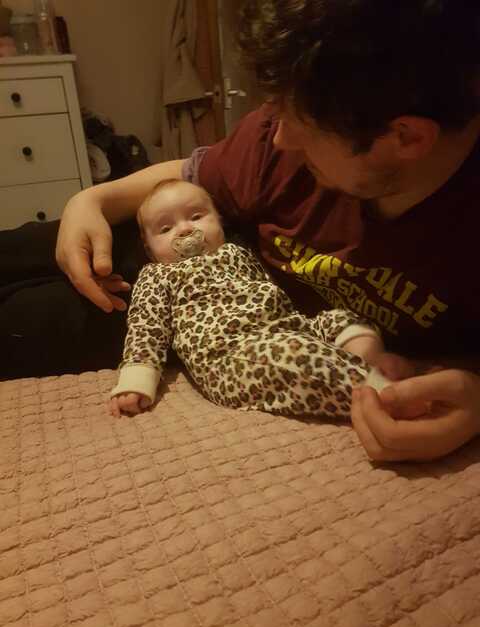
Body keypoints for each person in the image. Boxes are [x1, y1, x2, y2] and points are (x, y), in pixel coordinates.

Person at [3, 0, 479, 460]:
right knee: (22, 248)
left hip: (227, 330)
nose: (278, 138)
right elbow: (187, 175)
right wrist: (92, 199)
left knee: (26, 324)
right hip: (184, 252)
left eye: (301, 127)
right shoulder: (282, 134)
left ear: (406, 137)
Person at [110, 178, 411, 418]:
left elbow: (270, 293)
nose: (186, 229)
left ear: (219, 222)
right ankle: (385, 395)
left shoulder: (237, 252)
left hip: (287, 326)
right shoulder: (158, 275)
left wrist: (306, 328)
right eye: (166, 228)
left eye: (197, 216)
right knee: (297, 357)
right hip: (229, 356)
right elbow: (146, 328)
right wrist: (137, 380)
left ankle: (372, 361)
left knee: (340, 318)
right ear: (149, 250)